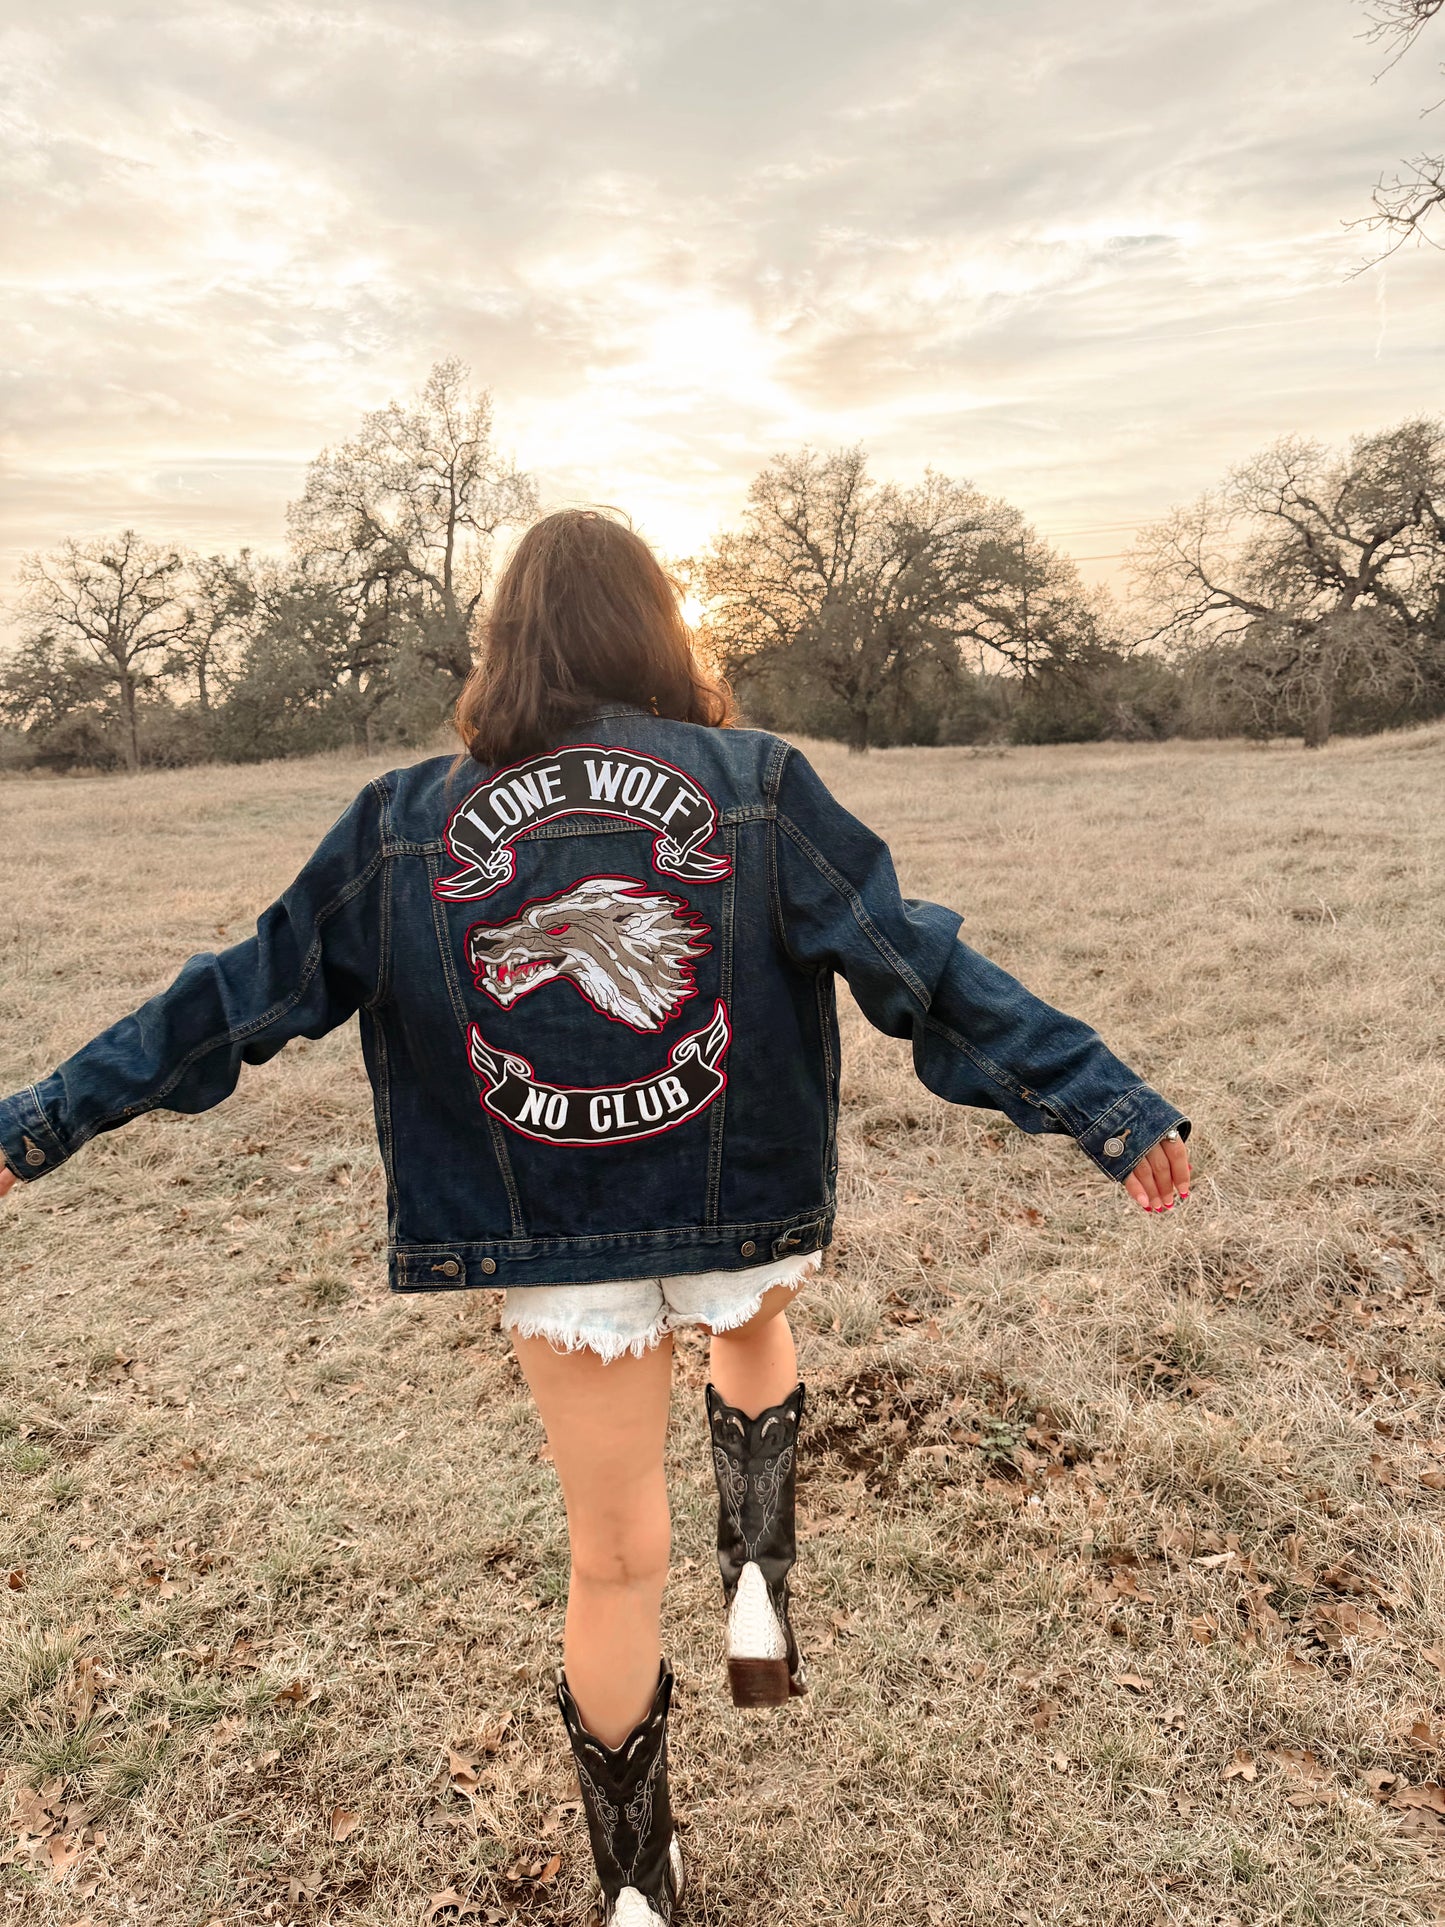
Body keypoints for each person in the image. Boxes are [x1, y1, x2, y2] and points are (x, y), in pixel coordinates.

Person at [0, 507, 1191, 1925]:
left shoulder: (401, 821)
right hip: (734, 1202)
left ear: (505, 645)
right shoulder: (754, 784)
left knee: (614, 1558)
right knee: (753, 1331)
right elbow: (914, 965)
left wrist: (40, 1124)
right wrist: (1103, 1105)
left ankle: (638, 1893)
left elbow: (235, 998)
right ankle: (760, 1581)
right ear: (657, 630)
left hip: (550, 1233)